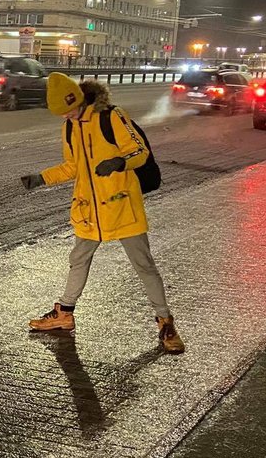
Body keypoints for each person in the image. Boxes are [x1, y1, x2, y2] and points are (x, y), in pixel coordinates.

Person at [20, 75, 185, 354]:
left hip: (121, 206)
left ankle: (165, 322)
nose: (68, 117)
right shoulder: (70, 128)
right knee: (79, 259)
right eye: (62, 114)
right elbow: (73, 166)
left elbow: (140, 152)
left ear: (79, 99)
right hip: (89, 210)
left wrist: (120, 161)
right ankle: (65, 313)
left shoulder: (111, 117)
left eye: (69, 110)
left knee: (143, 265)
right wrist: (41, 178)